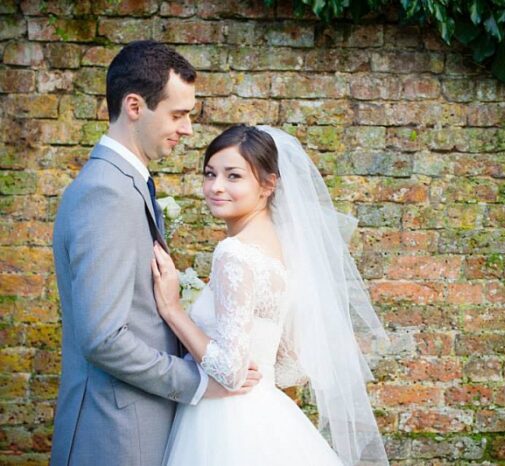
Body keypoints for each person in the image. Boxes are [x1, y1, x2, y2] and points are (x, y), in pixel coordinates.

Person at [50, 41, 260, 466]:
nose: (186, 129)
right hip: (113, 435)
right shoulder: (105, 194)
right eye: (178, 114)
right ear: (134, 106)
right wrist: (197, 381)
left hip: (134, 426)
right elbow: (103, 337)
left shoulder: (126, 184)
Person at [151, 125, 390, 465]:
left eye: (234, 176)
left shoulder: (234, 253)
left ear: (268, 184)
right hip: (266, 411)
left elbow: (231, 372)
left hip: (225, 422)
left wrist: (173, 309)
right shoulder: (282, 249)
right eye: (210, 174)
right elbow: (290, 362)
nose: (216, 186)